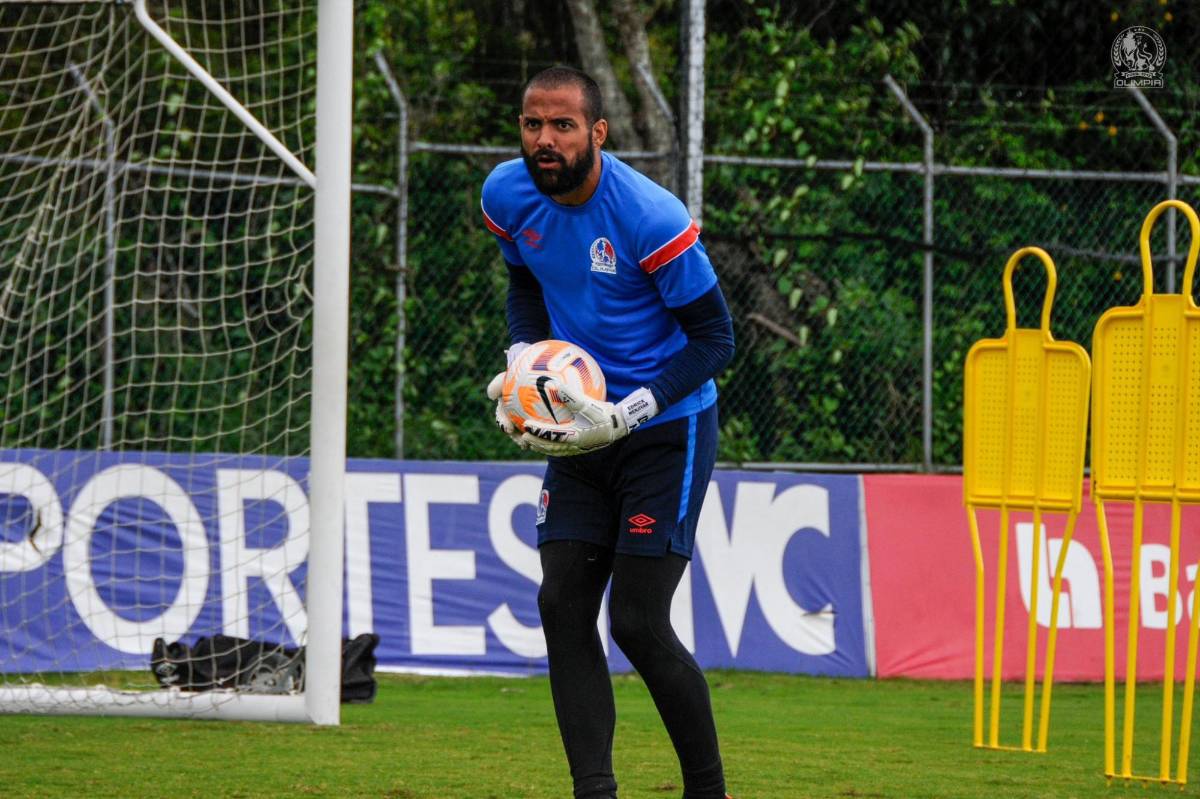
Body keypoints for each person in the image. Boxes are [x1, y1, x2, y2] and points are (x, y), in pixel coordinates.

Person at [481, 65, 735, 799]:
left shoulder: (651, 217)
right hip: (576, 430)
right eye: (533, 123)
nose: (545, 139)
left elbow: (716, 339)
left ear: (597, 132)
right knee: (561, 605)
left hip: (667, 431)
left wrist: (631, 412)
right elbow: (524, 281)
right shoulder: (505, 194)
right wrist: (523, 359)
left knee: (637, 621)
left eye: (562, 125)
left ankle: (709, 793)